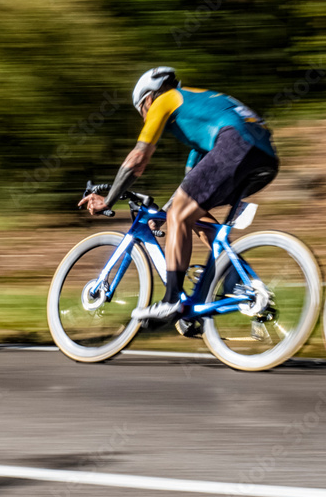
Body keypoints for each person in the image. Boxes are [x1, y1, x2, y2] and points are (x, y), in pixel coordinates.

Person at [79, 67, 278, 325]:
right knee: (191, 213)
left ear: (148, 99)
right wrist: (166, 215)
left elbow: (137, 159)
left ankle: (172, 300)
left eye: (141, 111)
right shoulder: (198, 113)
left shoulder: (165, 100)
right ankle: (239, 279)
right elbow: (190, 183)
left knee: (180, 213)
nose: (144, 118)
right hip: (264, 155)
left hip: (235, 142)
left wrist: (108, 200)